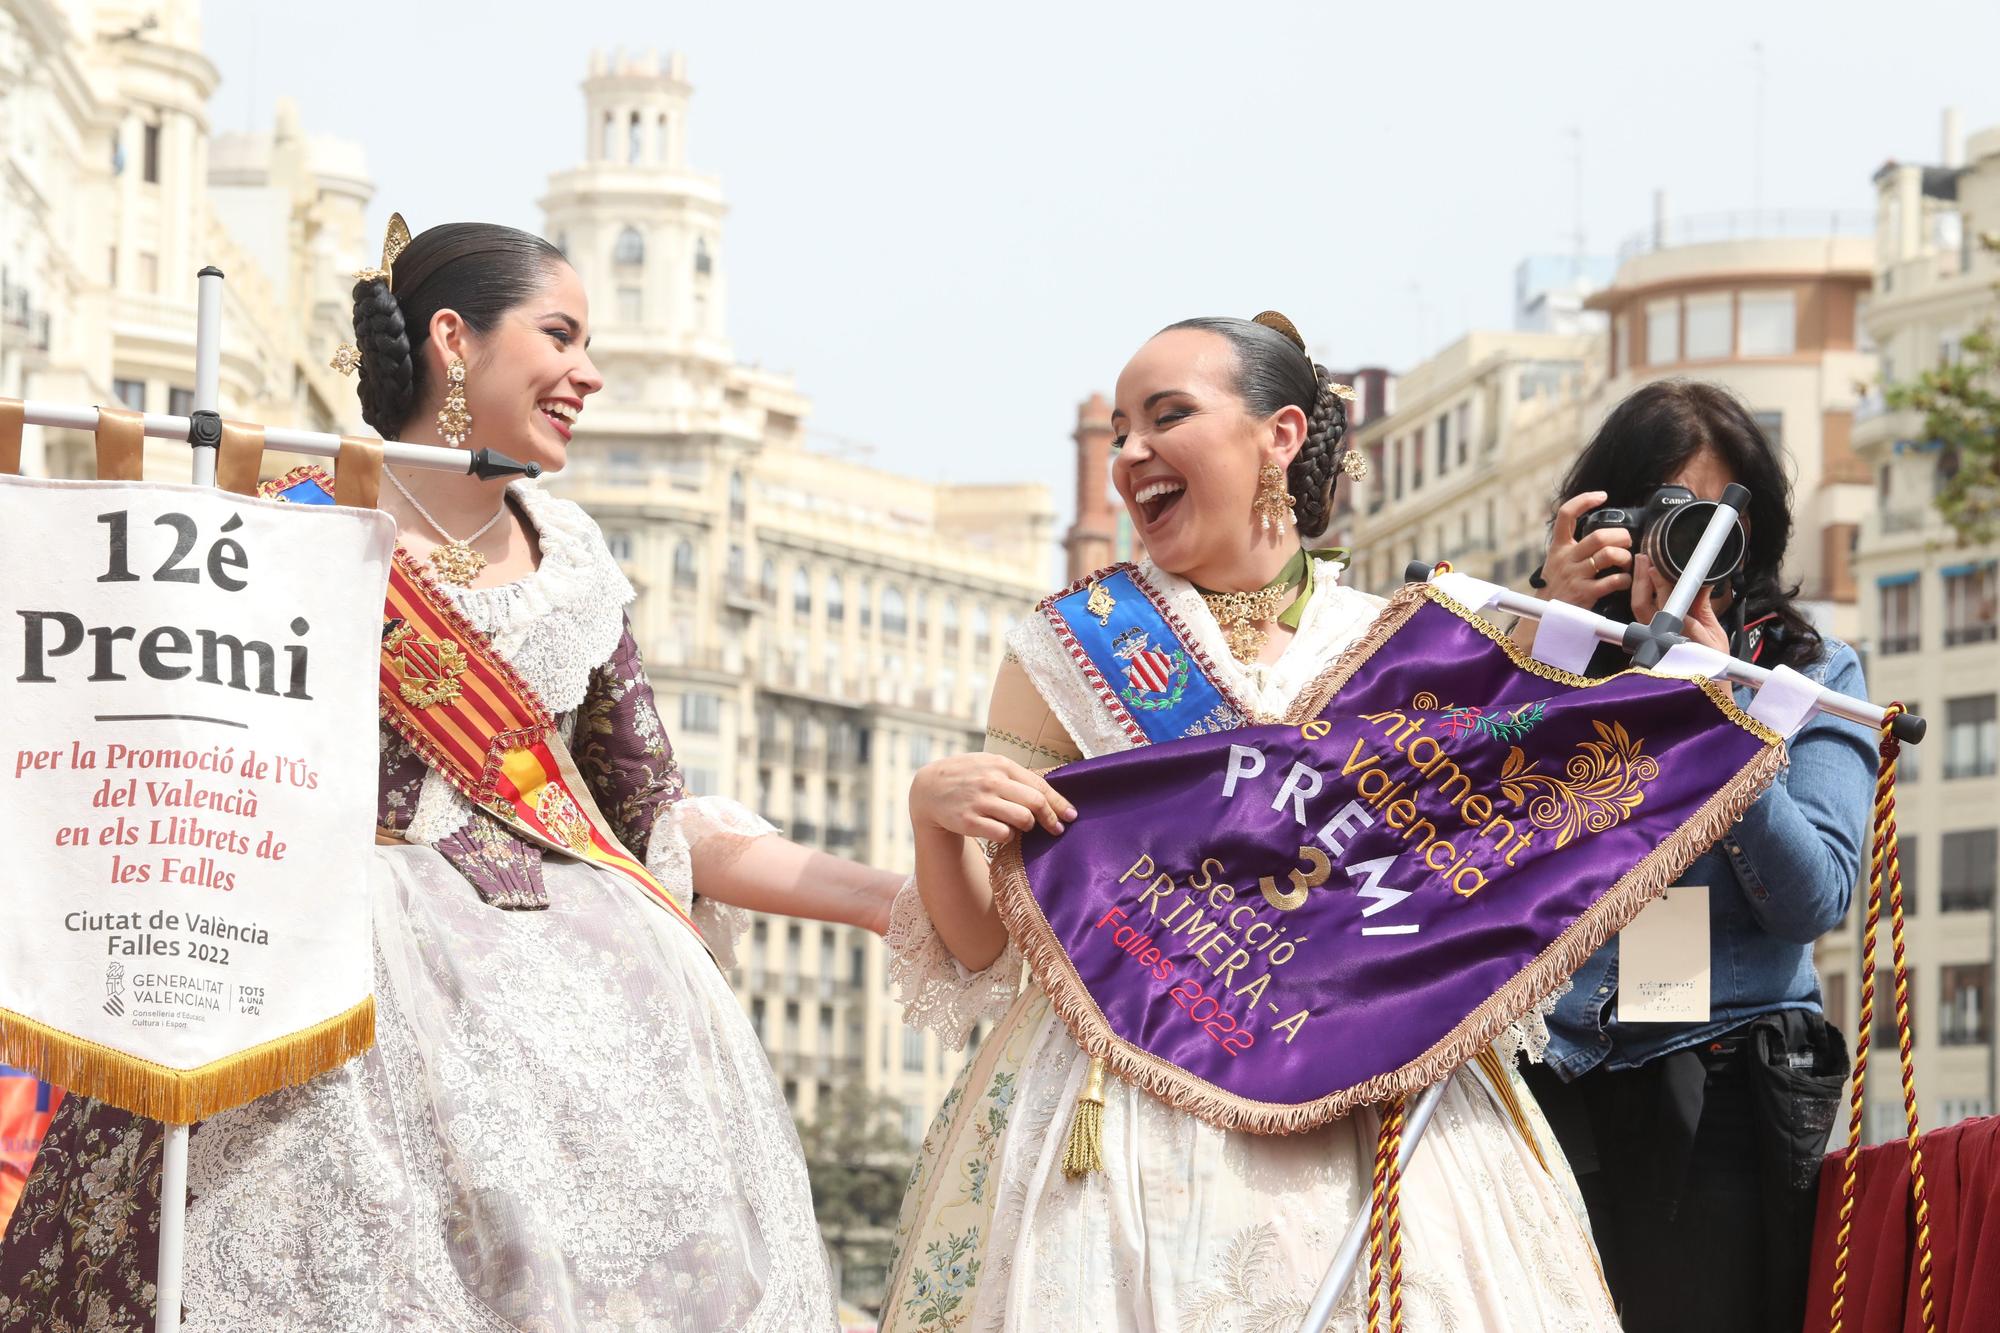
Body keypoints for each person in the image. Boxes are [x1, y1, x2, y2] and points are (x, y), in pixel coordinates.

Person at [0, 221, 900, 1331]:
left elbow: (651, 818)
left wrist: (886, 900)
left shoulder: (572, 559)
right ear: (452, 340)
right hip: (331, 977)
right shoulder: (283, 516)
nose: (588, 371)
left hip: (584, 1001)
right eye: (559, 334)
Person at [875, 314, 1620, 1331]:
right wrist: (931, 820)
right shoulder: (1071, 647)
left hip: (1372, 1111)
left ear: (1277, 435)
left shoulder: (1399, 643)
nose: (1131, 452)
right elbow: (981, 948)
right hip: (1129, 1098)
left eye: (1167, 416)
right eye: (1122, 430)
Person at [1515, 379, 1873, 1333]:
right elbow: (1457, 840)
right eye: (1656, 515)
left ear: (1756, 533)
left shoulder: (1804, 676)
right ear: (1599, 514)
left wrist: (1717, 713)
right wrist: (1546, 633)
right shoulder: (1544, 645)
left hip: (1710, 1068)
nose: (1679, 550)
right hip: (1543, 1063)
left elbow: (1815, 898)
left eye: (1707, 523)